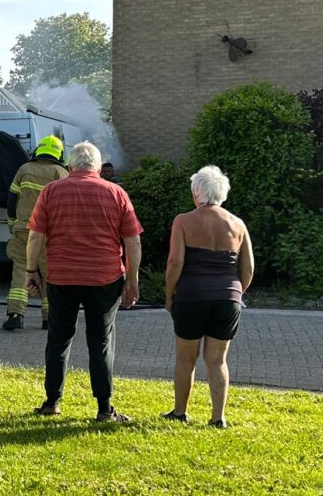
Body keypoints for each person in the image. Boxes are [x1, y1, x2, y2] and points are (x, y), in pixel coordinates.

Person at [27, 141, 142, 423]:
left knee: (58, 339)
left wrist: (31, 270)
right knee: (101, 341)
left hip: (62, 276)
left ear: (70, 166)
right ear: (99, 168)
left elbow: (35, 237)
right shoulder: (116, 192)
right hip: (105, 278)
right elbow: (133, 240)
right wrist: (132, 279)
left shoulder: (51, 191)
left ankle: (52, 402)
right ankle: (104, 408)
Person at [163, 166, 254, 428]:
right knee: (217, 360)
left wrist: (169, 295)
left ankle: (180, 412)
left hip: (190, 296)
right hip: (227, 298)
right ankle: (218, 418)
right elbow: (247, 268)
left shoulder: (183, 221)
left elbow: (175, 262)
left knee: (185, 357)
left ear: (195, 193)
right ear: (223, 193)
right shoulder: (238, 224)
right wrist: (237, 293)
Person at [2, 135, 68, 331]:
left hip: (24, 230)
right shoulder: (61, 172)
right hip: (49, 234)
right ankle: (49, 319)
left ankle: (15, 315)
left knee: (21, 270)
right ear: (59, 154)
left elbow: (12, 200)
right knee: (50, 275)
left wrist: (13, 224)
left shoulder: (24, 169)